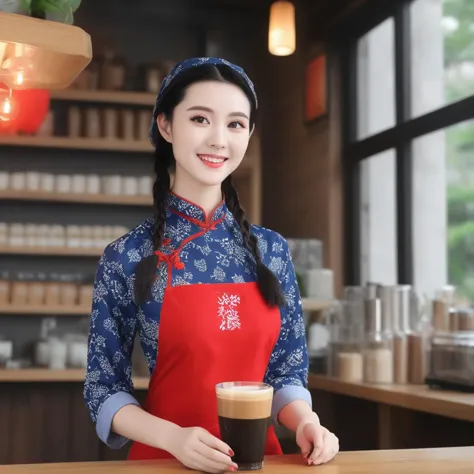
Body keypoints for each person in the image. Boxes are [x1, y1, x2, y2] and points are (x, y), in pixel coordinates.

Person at [84, 57, 339, 472]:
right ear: (166, 126)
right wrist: (172, 437)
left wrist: (306, 422)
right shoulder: (127, 256)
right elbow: (104, 388)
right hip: (163, 462)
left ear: (249, 134)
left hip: (261, 463)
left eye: (235, 124)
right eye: (201, 119)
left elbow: (286, 373)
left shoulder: (271, 251)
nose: (219, 139)